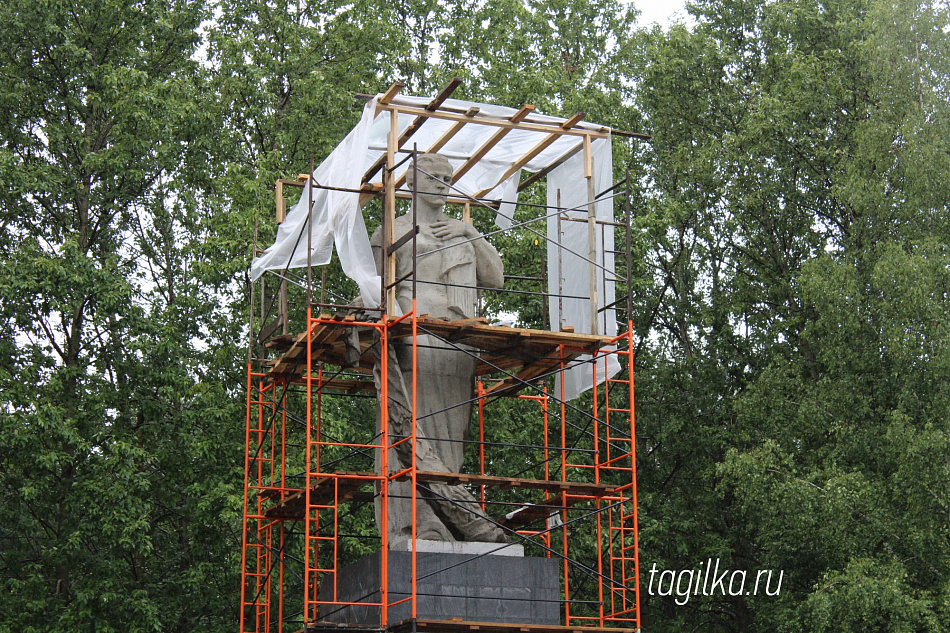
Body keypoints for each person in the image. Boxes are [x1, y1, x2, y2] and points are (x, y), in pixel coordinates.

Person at [369, 153, 507, 545]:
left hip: (454, 346)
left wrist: (469, 232)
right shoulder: (390, 231)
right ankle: (414, 521)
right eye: (434, 177)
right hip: (413, 339)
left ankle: (451, 518)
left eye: (448, 177)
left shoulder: (458, 229)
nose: (443, 184)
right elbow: (375, 289)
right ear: (412, 182)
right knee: (408, 428)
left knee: (451, 434)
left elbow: (494, 278)